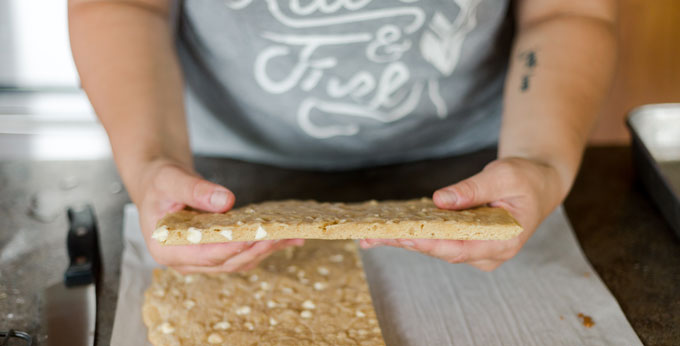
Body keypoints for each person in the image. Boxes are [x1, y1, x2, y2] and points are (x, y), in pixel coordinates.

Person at [68, 0, 616, 273]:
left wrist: (542, 159)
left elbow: (567, 11)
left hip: (483, 167)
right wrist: (151, 161)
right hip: (212, 176)